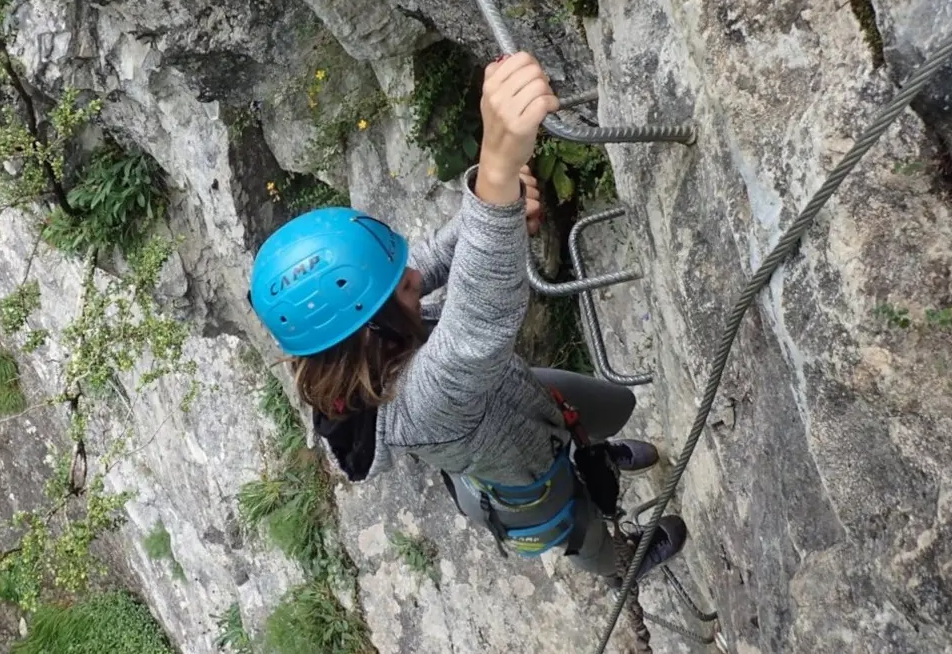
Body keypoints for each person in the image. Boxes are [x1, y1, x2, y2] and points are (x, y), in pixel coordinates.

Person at [247, 52, 687, 583]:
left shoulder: (366, 338)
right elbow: (475, 330)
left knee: (618, 406)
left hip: (521, 407)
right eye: (397, 286)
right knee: (586, 534)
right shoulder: (418, 409)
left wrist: (493, 200)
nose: (413, 277)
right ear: (369, 332)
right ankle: (623, 566)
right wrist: (498, 167)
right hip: (535, 494)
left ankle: (598, 456)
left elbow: (429, 262)